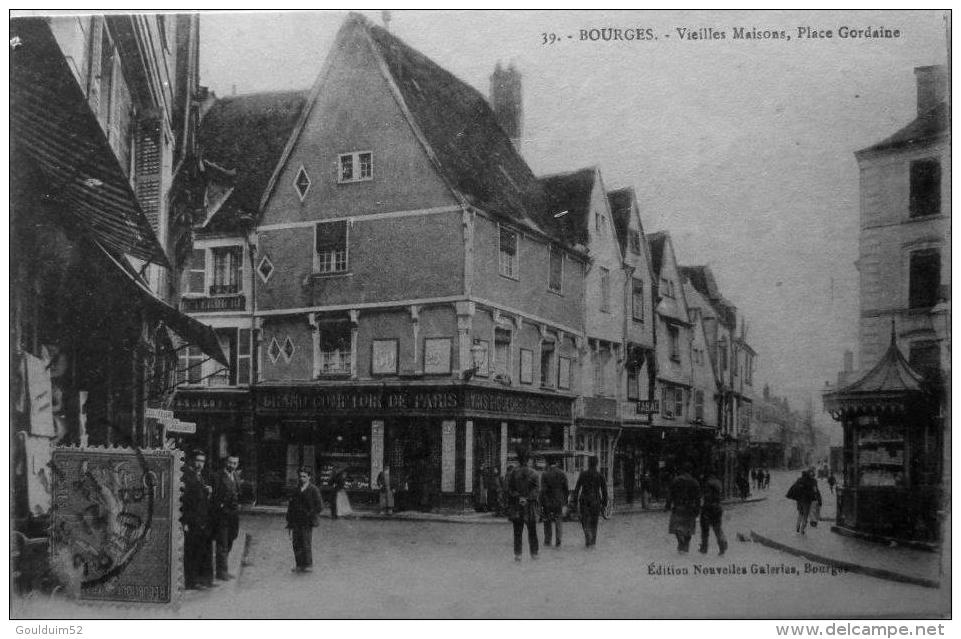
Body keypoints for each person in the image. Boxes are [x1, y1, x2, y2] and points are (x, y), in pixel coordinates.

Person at [182, 450, 214, 590]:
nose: (200, 464)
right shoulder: (187, 477)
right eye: (197, 461)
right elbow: (184, 501)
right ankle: (191, 582)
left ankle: (201, 580)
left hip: (202, 520)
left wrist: (207, 491)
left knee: (202, 550)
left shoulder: (200, 476)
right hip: (192, 520)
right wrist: (185, 522)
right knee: (191, 552)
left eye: (202, 461)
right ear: (192, 461)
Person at [286, 467, 324, 573]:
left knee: (305, 542)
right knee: (296, 542)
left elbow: (320, 506)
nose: (302, 479)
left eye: (304, 476)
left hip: (307, 521)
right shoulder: (296, 489)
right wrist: (289, 520)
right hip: (296, 520)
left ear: (309, 477)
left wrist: (310, 514)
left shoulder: (313, 489)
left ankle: (308, 564)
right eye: (300, 476)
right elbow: (291, 505)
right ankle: (299, 564)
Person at [506, 450, 540, 561]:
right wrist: (527, 498)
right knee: (532, 531)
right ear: (528, 460)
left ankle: (518, 554)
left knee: (517, 531)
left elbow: (509, 489)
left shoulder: (513, 473)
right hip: (530, 506)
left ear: (518, 460)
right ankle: (534, 553)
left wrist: (519, 497)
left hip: (517, 506)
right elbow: (536, 490)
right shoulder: (534, 473)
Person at [211, 455, 241, 581]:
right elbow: (214, 497)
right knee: (222, 543)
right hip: (222, 516)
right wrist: (220, 507)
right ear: (226, 462)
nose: (232, 465)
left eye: (235, 463)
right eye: (230, 462)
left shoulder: (236, 476)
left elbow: (238, 493)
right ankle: (221, 572)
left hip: (234, 516)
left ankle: (222, 568)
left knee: (230, 540)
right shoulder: (217, 477)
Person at [572, 455, 608, 548]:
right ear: (597, 463)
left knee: (584, 520)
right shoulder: (600, 475)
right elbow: (604, 491)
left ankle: (588, 537)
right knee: (594, 523)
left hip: (584, 500)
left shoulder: (583, 474)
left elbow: (577, 489)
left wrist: (575, 501)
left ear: (588, 463)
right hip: (596, 500)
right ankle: (593, 542)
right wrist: (604, 504)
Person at [667, 462, 700, 553]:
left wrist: (668, 505)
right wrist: (697, 509)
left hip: (678, 507)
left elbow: (670, 494)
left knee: (676, 526)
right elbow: (698, 497)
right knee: (689, 528)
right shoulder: (694, 482)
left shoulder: (676, 480)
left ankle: (680, 541)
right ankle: (685, 546)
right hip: (690, 508)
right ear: (690, 471)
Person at [540, 456, 569, 548]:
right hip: (559, 501)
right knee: (558, 521)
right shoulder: (562, 473)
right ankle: (558, 541)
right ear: (556, 463)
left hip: (547, 502)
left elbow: (543, 491)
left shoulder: (544, 474)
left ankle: (548, 541)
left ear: (547, 463)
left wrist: (541, 503)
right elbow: (566, 489)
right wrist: (565, 502)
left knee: (547, 522)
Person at [698, 469, 728, 556]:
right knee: (717, 529)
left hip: (708, 508)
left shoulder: (707, 484)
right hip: (717, 508)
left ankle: (704, 548)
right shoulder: (718, 484)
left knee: (705, 530)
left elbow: (704, 496)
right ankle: (721, 547)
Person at [786, 469, 820, 535]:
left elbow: (793, 488)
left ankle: (797, 527)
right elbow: (815, 491)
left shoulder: (799, 480)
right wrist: (816, 498)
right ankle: (802, 530)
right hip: (807, 501)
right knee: (805, 516)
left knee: (800, 514)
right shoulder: (812, 481)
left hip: (799, 500)